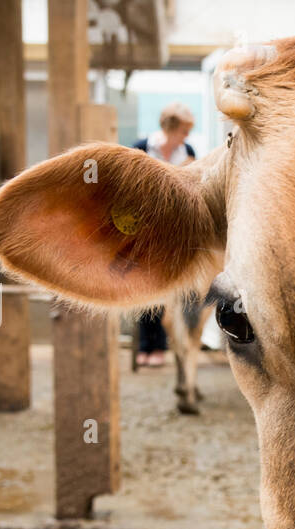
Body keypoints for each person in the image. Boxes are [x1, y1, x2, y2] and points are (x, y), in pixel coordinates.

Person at [131, 102, 196, 367]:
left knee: (168, 287)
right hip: (145, 226)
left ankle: (162, 347)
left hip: (174, 228)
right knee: (145, 285)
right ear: (170, 128)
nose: (186, 136)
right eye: (183, 130)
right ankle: (147, 347)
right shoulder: (142, 147)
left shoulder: (188, 152)